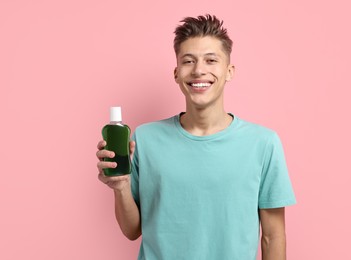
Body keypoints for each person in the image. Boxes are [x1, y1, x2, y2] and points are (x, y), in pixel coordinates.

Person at [96, 14, 296, 260]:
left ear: (229, 71)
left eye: (211, 60)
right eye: (188, 61)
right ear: (177, 73)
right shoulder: (145, 139)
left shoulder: (264, 144)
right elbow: (131, 230)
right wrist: (121, 187)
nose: (199, 70)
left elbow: (273, 236)